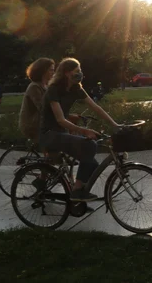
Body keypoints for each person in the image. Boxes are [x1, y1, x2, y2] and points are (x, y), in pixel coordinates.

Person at [39, 58, 120, 201]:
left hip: (61, 133)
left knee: (92, 163)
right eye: (77, 71)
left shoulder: (76, 88)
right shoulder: (54, 89)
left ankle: (79, 191)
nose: (80, 74)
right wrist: (84, 131)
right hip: (49, 134)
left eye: (80, 71)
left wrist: (115, 124)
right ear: (67, 73)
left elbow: (95, 107)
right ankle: (77, 191)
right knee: (89, 145)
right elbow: (60, 119)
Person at [19, 58, 55, 141]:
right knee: (57, 140)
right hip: (32, 125)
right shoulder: (34, 87)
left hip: (43, 122)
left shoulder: (47, 86)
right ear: (43, 71)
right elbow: (43, 108)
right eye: (51, 70)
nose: (53, 73)